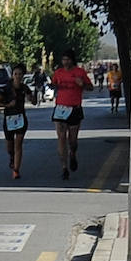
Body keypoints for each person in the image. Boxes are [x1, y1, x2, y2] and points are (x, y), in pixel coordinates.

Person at [50, 49, 93, 180]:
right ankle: (64, 167)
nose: (65, 62)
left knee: (72, 141)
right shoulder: (58, 73)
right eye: (63, 59)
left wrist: (82, 84)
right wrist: (53, 87)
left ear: (72, 60)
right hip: (60, 109)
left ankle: (72, 154)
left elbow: (90, 87)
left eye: (68, 59)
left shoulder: (79, 72)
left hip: (75, 108)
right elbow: (53, 85)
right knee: (61, 138)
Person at [0, 63, 36, 180]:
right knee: (10, 147)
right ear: (12, 75)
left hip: (21, 119)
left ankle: (16, 170)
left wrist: (32, 97)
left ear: (23, 76)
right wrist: (7, 105)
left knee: (19, 144)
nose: (17, 76)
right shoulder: (6, 88)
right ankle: (12, 157)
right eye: (15, 74)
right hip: (9, 119)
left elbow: (32, 101)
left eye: (20, 74)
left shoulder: (24, 88)